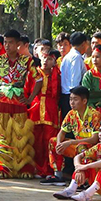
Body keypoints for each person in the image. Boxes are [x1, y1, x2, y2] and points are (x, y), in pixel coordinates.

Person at [0, 29, 41, 178]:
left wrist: (31, 98)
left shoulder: (26, 61)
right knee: (1, 135)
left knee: (20, 136)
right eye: (5, 42)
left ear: (18, 44)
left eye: (10, 43)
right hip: (1, 103)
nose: (7, 45)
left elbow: (39, 79)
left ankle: (21, 168)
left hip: (19, 103)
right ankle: (1, 167)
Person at [43, 86, 101, 185]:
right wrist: (58, 143)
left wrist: (70, 142)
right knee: (53, 141)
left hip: (92, 148)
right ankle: (58, 176)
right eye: (70, 99)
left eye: (75, 99)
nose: (72, 102)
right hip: (77, 146)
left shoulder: (95, 115)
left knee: (81, 147)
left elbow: (94, 139)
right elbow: (61, 132)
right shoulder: (71, 114)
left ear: (84, 101)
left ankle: (84, 181)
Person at [53, 118, 101, 201]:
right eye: (99, 131)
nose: (100, 134)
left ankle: (87, 194)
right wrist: (79, 168)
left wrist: (85, 167)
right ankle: (71, 190)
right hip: (100, 187)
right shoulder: (100, 146)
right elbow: (78, 157)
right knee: (86, 159)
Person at [29, 50, 61, 178]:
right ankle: (37, 168)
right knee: (36, 140)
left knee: (49, 140)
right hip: (35, 108)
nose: (45, 61)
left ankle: (49, 169)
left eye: (49, 59)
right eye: (43, 58)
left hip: (51, 109)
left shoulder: (57, 75)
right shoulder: (34, 73)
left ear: (54, 61)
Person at [59, 31, 88, 118]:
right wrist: (75, 99)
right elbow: (75, 80)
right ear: (83, 44)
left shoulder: (68, 56)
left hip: (67, 95)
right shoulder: (76, 57)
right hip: (72, 96)